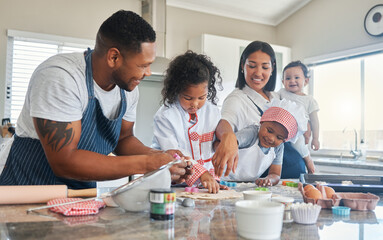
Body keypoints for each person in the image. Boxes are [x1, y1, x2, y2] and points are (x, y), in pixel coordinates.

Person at [0, 10, 191, 189]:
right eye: (143, 65)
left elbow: (123, 139)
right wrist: (148, 163)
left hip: (80, 192)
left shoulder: (129, 88)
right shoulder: (60, 77)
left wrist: (163, 157)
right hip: (27, 187)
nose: (148, 73)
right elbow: (64, 162)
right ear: (114, 57)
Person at [212, 40, 307, 180]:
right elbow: (225, 122)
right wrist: (228, 136)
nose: (258, 73)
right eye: (252, 65)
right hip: (244, 178)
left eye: (265, 67)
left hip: (283, 175)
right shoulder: (236, 99)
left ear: (272, 68)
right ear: (242, 66)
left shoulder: (275, 96)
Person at [151, 51, 228, 193]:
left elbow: (213, 149)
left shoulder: (212, 111)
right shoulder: (165, 116)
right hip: (171, 184)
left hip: (202, 184)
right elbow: (175, 154)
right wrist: (202, 174)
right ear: (176, 90)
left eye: (202, 97)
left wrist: (213, 180)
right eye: (188, 98)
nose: (195, 104)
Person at [234, 99, 307, 186]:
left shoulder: (278, 147)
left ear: (284, 140)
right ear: (262, 122)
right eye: (269, 130)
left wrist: (269, 180)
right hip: (223, 179)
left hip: (246, 185)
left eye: (279, 137)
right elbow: (227, 144)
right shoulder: (251, 133)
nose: (271, 138)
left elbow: (275, 174)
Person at [279, 60, 320, 173]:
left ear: (306, 81)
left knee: (298, 145)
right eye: (288, 78)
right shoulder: (281, 93)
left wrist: (315, 139)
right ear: (283, 82)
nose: (292, 81)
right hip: (282, 130)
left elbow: (315, 121)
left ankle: (308, 159)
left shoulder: (309, 100)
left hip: (299, 131)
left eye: (297, 77)